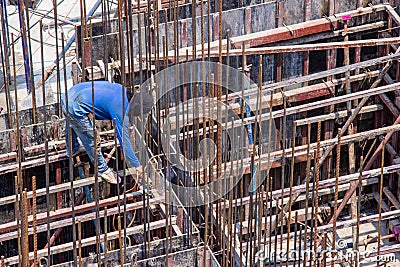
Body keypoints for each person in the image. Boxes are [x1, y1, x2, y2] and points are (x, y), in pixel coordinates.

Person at [61, 81, 153, 184]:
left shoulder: (121, 89)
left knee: (73, 122)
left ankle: (72, 148)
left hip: (70, 94)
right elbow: (123, 140)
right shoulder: (120, 109)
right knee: (91, 139)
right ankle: (102, 169)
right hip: (74, 105)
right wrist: (137, 165)